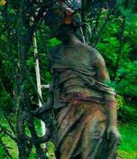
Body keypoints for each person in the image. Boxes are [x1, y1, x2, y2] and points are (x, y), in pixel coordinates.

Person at [43, 19, 121, 159]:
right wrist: (47, 105)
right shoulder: (55, 54)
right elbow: (54, 86)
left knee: (91, 153)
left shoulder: (92, 54)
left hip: (93, 113)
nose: (52, 31)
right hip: (67, 112)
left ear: (68, 28)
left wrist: (113, 124)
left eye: (54, 26)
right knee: (66, 153)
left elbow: (109, 90)